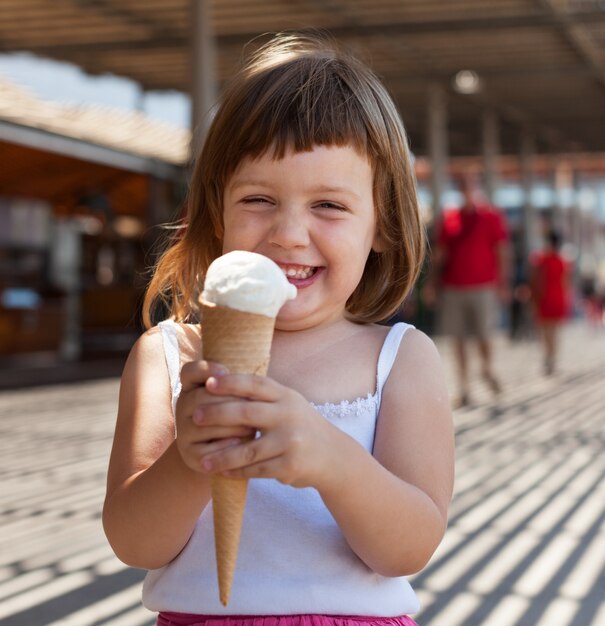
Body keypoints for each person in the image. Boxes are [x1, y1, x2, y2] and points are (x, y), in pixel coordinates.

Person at [103, 32, 454, 626]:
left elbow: (409, 549)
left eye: (329, 206)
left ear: (383, 226)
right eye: (260, 199)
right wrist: (191, 458)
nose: (289, 234)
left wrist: (331, 459)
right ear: (218, 212)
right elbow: (135, 544)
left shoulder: (399, 359)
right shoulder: (166, 355)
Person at [428, 173, 510, 408]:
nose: (466, 190)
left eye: (470, 185)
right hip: (454, 287)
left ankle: (487, 369)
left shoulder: (491, 216)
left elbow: (502, 251)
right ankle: (464, 388)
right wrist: (433, 284)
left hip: (484, 286)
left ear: (477, 187)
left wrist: (503, 283)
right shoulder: (450, 218)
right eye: (462, 186)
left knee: (485, 334)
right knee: (458, 338)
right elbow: (440, 255)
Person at [529, 228, 571, 374]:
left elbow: (534, 280)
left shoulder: (540, 259)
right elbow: (566, 282)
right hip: (558, 297)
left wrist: (532, 298)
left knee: (545, 331)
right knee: (554, 331)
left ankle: (548, 357)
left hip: (544, 298)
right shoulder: (562, 260)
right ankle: (551, 358)